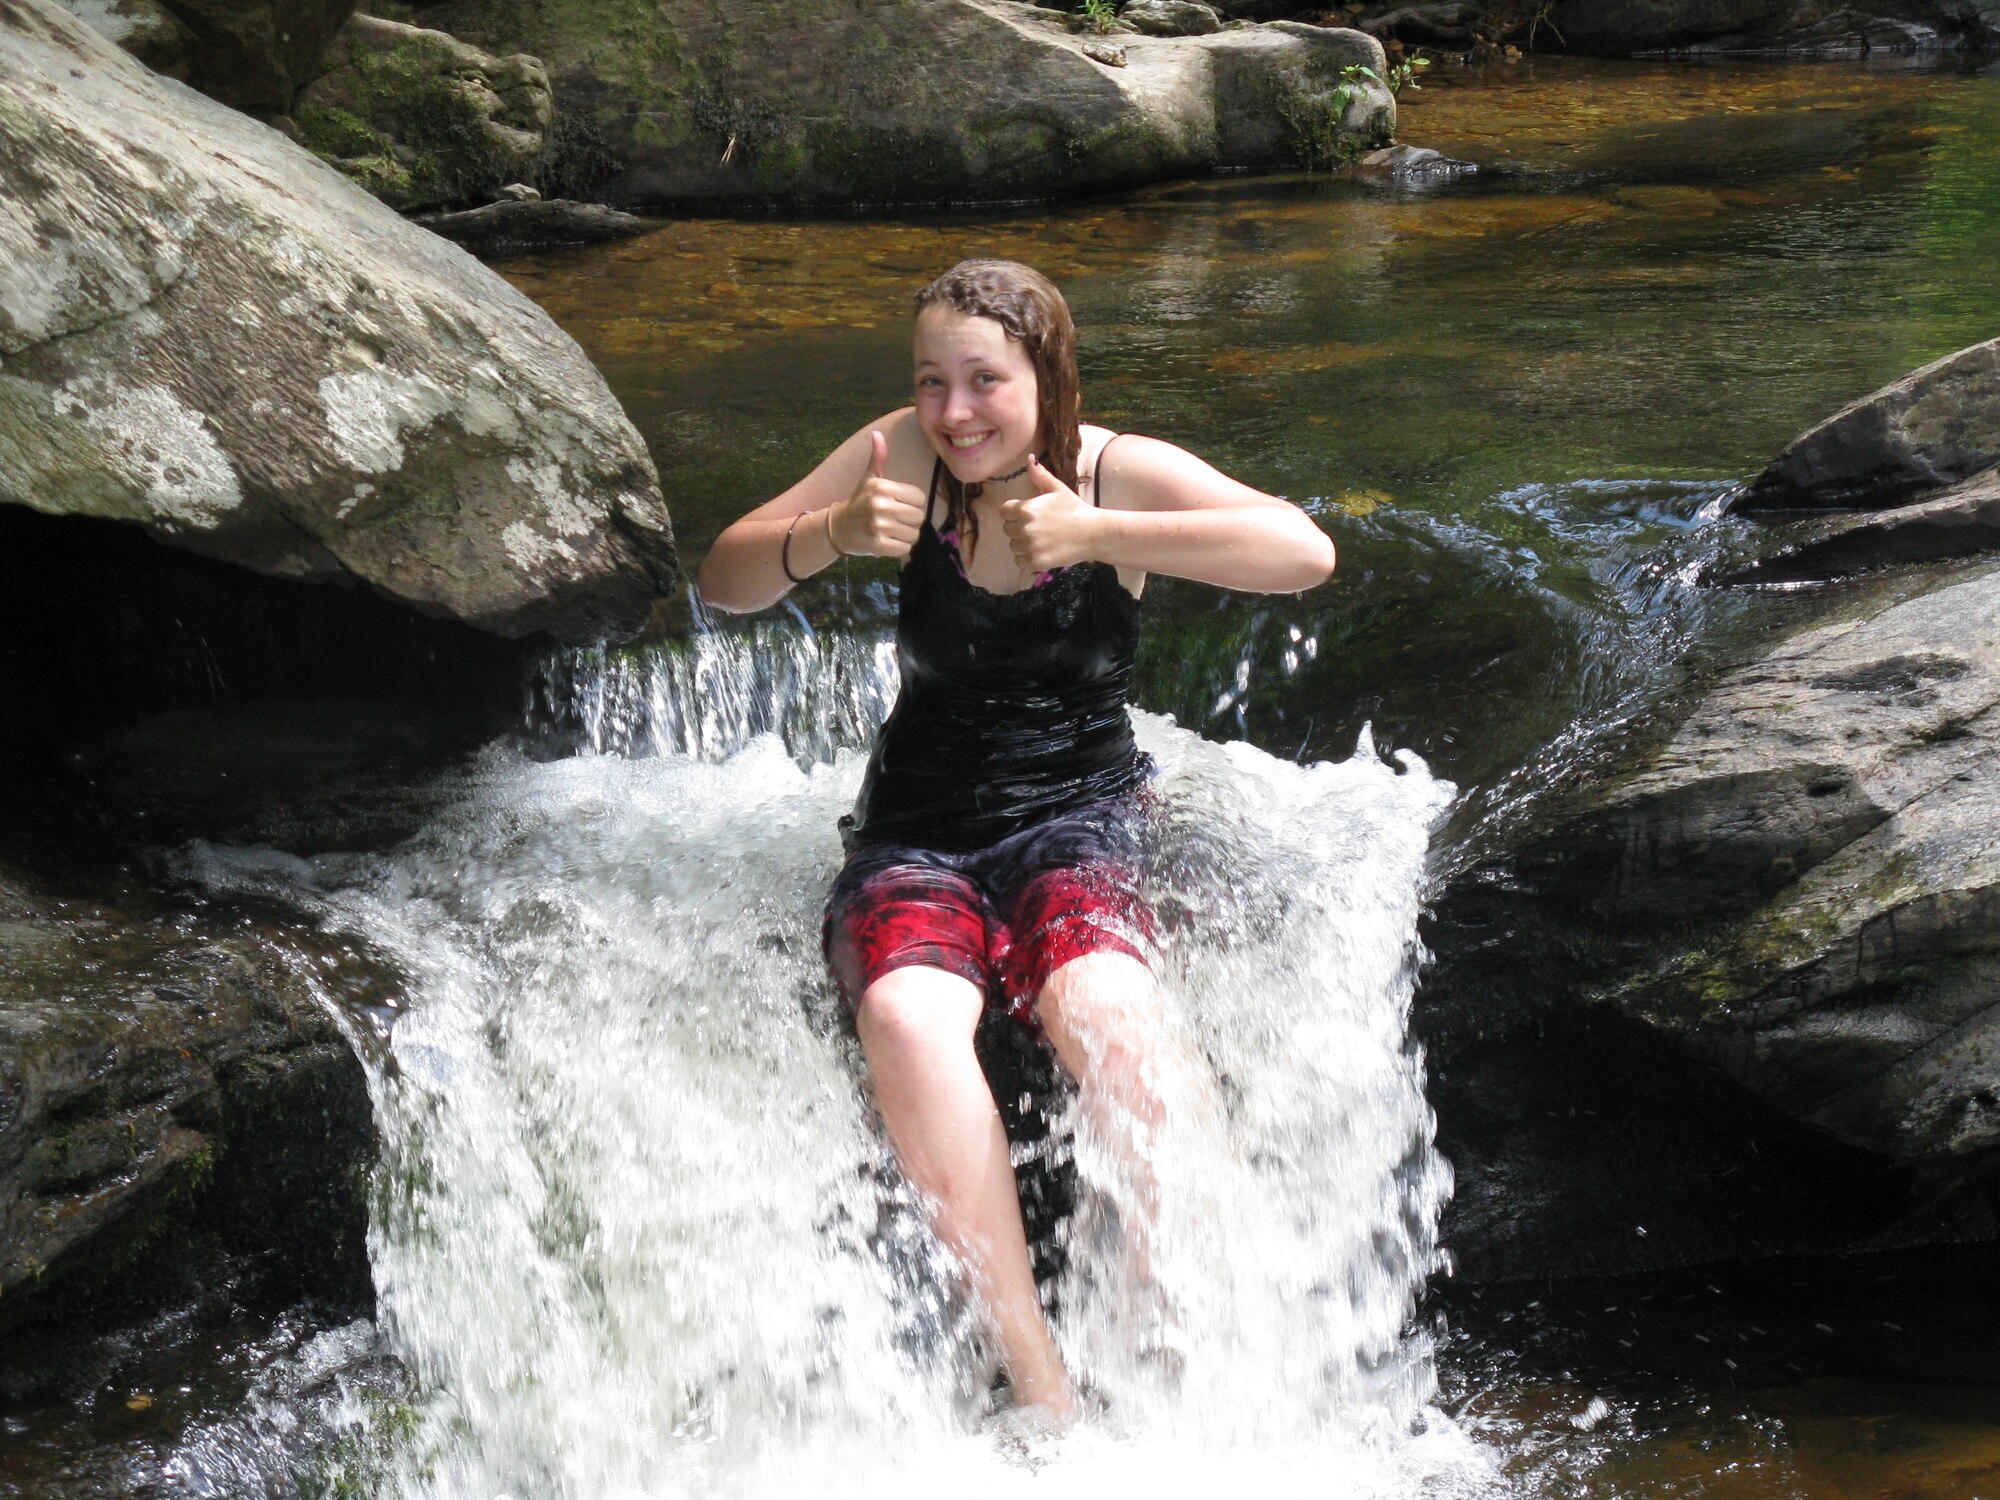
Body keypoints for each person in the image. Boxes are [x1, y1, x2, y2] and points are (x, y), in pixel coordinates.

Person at [696, 259, 1335, 1419]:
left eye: (983, 380)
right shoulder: (899, 454)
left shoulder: (1108, 469)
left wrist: (1098, 531)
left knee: (1103, 1008)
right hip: (916, 835)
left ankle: (1189, 1334)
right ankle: (1040, 1382)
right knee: (903, 1013)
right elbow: (724, 580)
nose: (953, 412)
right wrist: (830, 531)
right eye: (931, 381)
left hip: (1080, 817)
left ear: (1045, 376)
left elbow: (1301, 552)